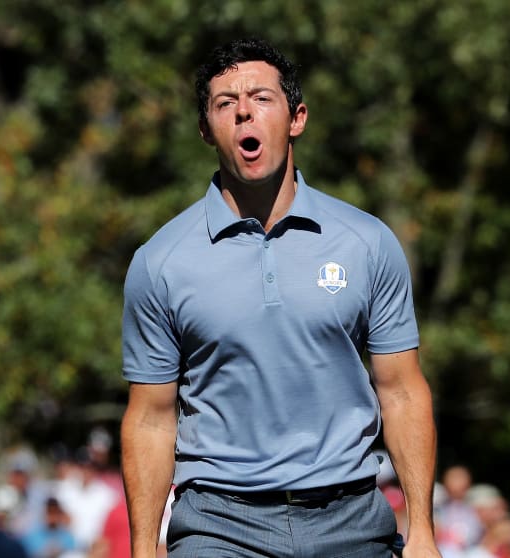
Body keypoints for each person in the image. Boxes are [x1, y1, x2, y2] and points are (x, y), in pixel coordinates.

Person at [119, 37, 440, 557]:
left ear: (297, 118)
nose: (245, 112)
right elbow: (151, 416)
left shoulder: (367, 242)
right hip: (219, 525)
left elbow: (401, 390)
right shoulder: (160, 262)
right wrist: (142, 547)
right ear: (206, 129)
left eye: (262, 98)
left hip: (352, 521)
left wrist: (423, 530)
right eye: (226, 104)